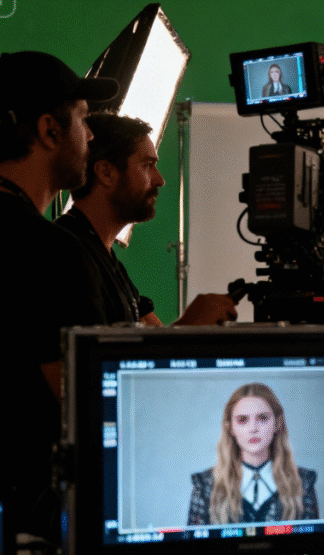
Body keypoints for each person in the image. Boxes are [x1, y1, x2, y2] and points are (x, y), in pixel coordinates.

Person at [0, 50, 117, 541]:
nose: (90, 136)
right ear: (50, 130)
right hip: (29, 521)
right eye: (84, 121)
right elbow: (86, 410)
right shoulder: (49, 252)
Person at [55, 112, 238, 326]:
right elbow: (95, 357)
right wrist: (190, 325)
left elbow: (152, 339)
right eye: (146, 165)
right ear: (106, 173)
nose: (160, 180)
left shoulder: (104, 256)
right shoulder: (65, 256)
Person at [188, 383, 319, 525]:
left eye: (262, 418)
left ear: (277, 423)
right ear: (230, 427)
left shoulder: (303, 483)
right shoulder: (205, 485)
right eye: (242, 420)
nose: (253, 428)